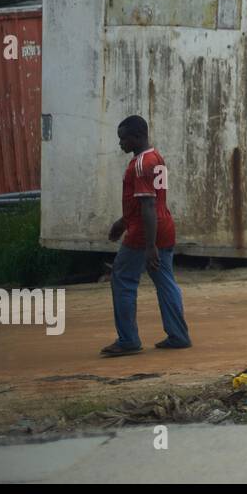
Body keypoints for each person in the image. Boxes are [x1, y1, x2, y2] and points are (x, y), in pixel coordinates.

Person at [101, 115, 192, 356]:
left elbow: (148, 206)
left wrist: (149, 246)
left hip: (145, 233)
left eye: (124, 139)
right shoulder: (156, 157)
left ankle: (128, 340)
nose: (120, 143)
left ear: (138, 137)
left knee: (122, 278)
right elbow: (149, 201)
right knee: (165, 280)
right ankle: (178, 335)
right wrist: (123, 221)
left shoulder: (141, 164)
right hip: (164, 226)